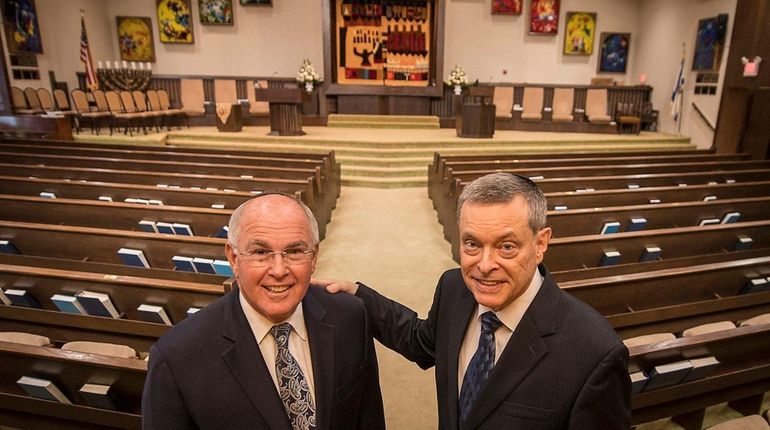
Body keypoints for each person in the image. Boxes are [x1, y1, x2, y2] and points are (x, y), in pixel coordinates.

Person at [321, 173, 631, 429]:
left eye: (506, 246)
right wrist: (360, 295)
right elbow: (423, 343)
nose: (484, 265)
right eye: (472, 244)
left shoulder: (595, 353)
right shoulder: (454, 288)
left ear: (540, 244)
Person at [142, 193, 385, 430]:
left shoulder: (350, 316)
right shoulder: (176, 357)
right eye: (260, 252)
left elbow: (368, 417)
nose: (279, 270)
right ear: (234, 258)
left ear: (314, 257)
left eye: (294, 251)